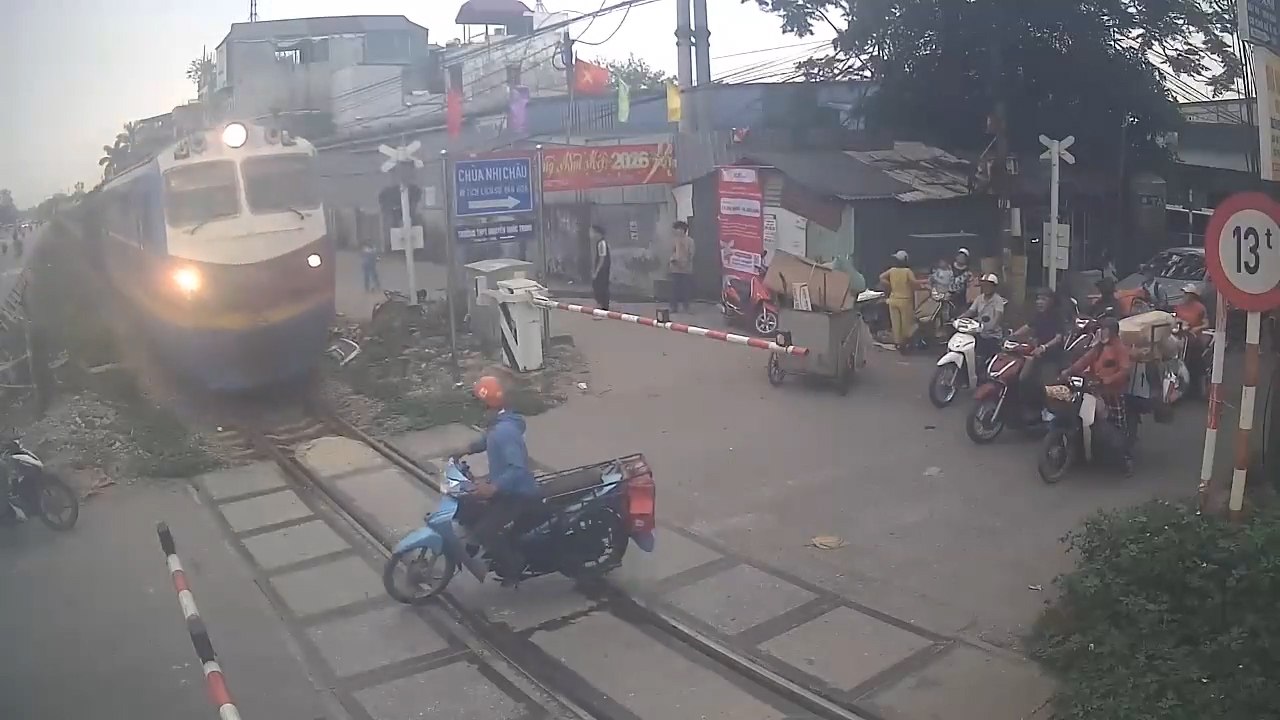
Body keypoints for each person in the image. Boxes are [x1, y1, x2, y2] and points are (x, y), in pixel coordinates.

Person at [452, 376, 541, 586]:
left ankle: (513, 567)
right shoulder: (500, 423)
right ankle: (476, 545)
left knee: (486, 531)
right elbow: (487, 440)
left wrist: (493, 488)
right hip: (504, 486)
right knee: (469, 504)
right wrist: (466, 450)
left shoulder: (505, 432)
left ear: (487, 405)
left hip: (517, 494)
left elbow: (516, 468)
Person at [1061, 317, 1135, 474]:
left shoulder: (1119, 348)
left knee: (1117, 428)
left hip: (1112, 394)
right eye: (1101, 329)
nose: (1102, 333)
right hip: (1093, 390)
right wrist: (1068, 371)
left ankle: (1125, 460)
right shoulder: (1098, 347)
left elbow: (1124, 370)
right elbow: (1084, 360)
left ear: (1113, 332)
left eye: (1105, 329)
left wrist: (1108, 380)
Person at [1012, 288, 1065, 416]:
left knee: (1046, 386)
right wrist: (1012, 335)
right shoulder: (1038, 315)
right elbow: (1028, 326)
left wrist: (1044, 347)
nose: (1039, 302)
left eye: (1043, 299)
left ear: (1051, 301)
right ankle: (1029, 408)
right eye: (1038, 299)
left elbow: (1059, 337)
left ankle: (1051, 412)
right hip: (1036, 354)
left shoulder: (1057, 315)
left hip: (1052, 357)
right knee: (1023, 378)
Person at [879, 250, 921, 349]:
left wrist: (889, 285)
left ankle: (897, 343)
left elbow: (881, 277)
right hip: (905, 300)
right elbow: (914, 282)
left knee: (895, 323)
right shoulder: (907, 271)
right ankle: (904, 343)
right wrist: (925, 281)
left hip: (893, 299)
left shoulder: (892, 270)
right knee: (906, 323)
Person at [1174, 284, 1210, 396]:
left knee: (1194, 351)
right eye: (1184, 293)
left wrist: (1196, 328)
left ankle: (1198, 379)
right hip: (1180, 334)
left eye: (1187, 294)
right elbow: (1174, 318)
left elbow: (1206, 323)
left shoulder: (1200, 308)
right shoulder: (1179, 306)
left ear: (1192, 295)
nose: (1184, 296)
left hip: (1194, 335)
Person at [961, 273, 1007, 359]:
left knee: (986, 356)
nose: (986, 288)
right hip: (978, 332)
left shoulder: (998, 300)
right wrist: (959, 319)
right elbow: (971, 311)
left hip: (992, 335)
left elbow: (998, 316)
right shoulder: (979, 298)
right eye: (984, 285)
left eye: (989, 285)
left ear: (994, 287)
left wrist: (992, 326)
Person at [668, 221, 694, 313]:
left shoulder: (690, 241)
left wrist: (685, 263)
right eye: (676, 229)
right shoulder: (673, 240)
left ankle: (686, 307)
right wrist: (673, 260)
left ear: (683, 230)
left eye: (679, 229)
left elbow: (691, 254)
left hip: (686, 269)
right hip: (675, 268)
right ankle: (673, 307)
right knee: (674, 289)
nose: (677, 231)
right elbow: (671, 252)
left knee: (686, 289)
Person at [590, 225, 611, 312]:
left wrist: (596, 271)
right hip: (603, 268)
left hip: (603, 269)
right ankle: (601, 304)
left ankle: (603, 306)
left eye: (592, 232)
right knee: (599, 286)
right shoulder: (600, 242)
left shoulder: (602, 243)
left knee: (600, 286)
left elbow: (602, 258)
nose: (591, 234)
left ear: (597, 233)